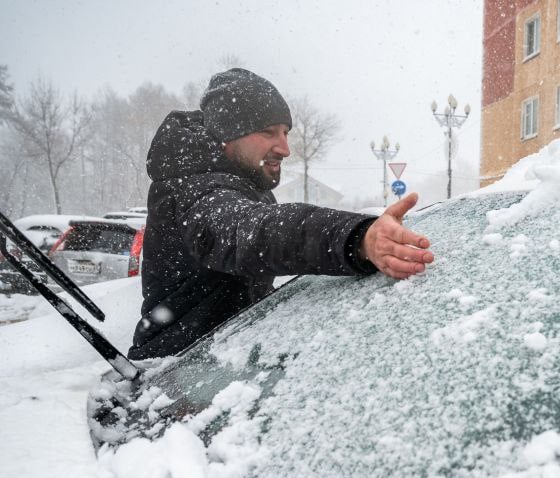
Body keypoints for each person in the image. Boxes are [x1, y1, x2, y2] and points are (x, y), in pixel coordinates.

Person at [128, 68, 433, 360]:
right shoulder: (195, 189)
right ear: (228, 135)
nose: (285, 148)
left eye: (285, 132)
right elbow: (250, 232)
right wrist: (356, 238)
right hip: (175, 384)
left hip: (221, 365)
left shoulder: (241, 180)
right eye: (268, 132)